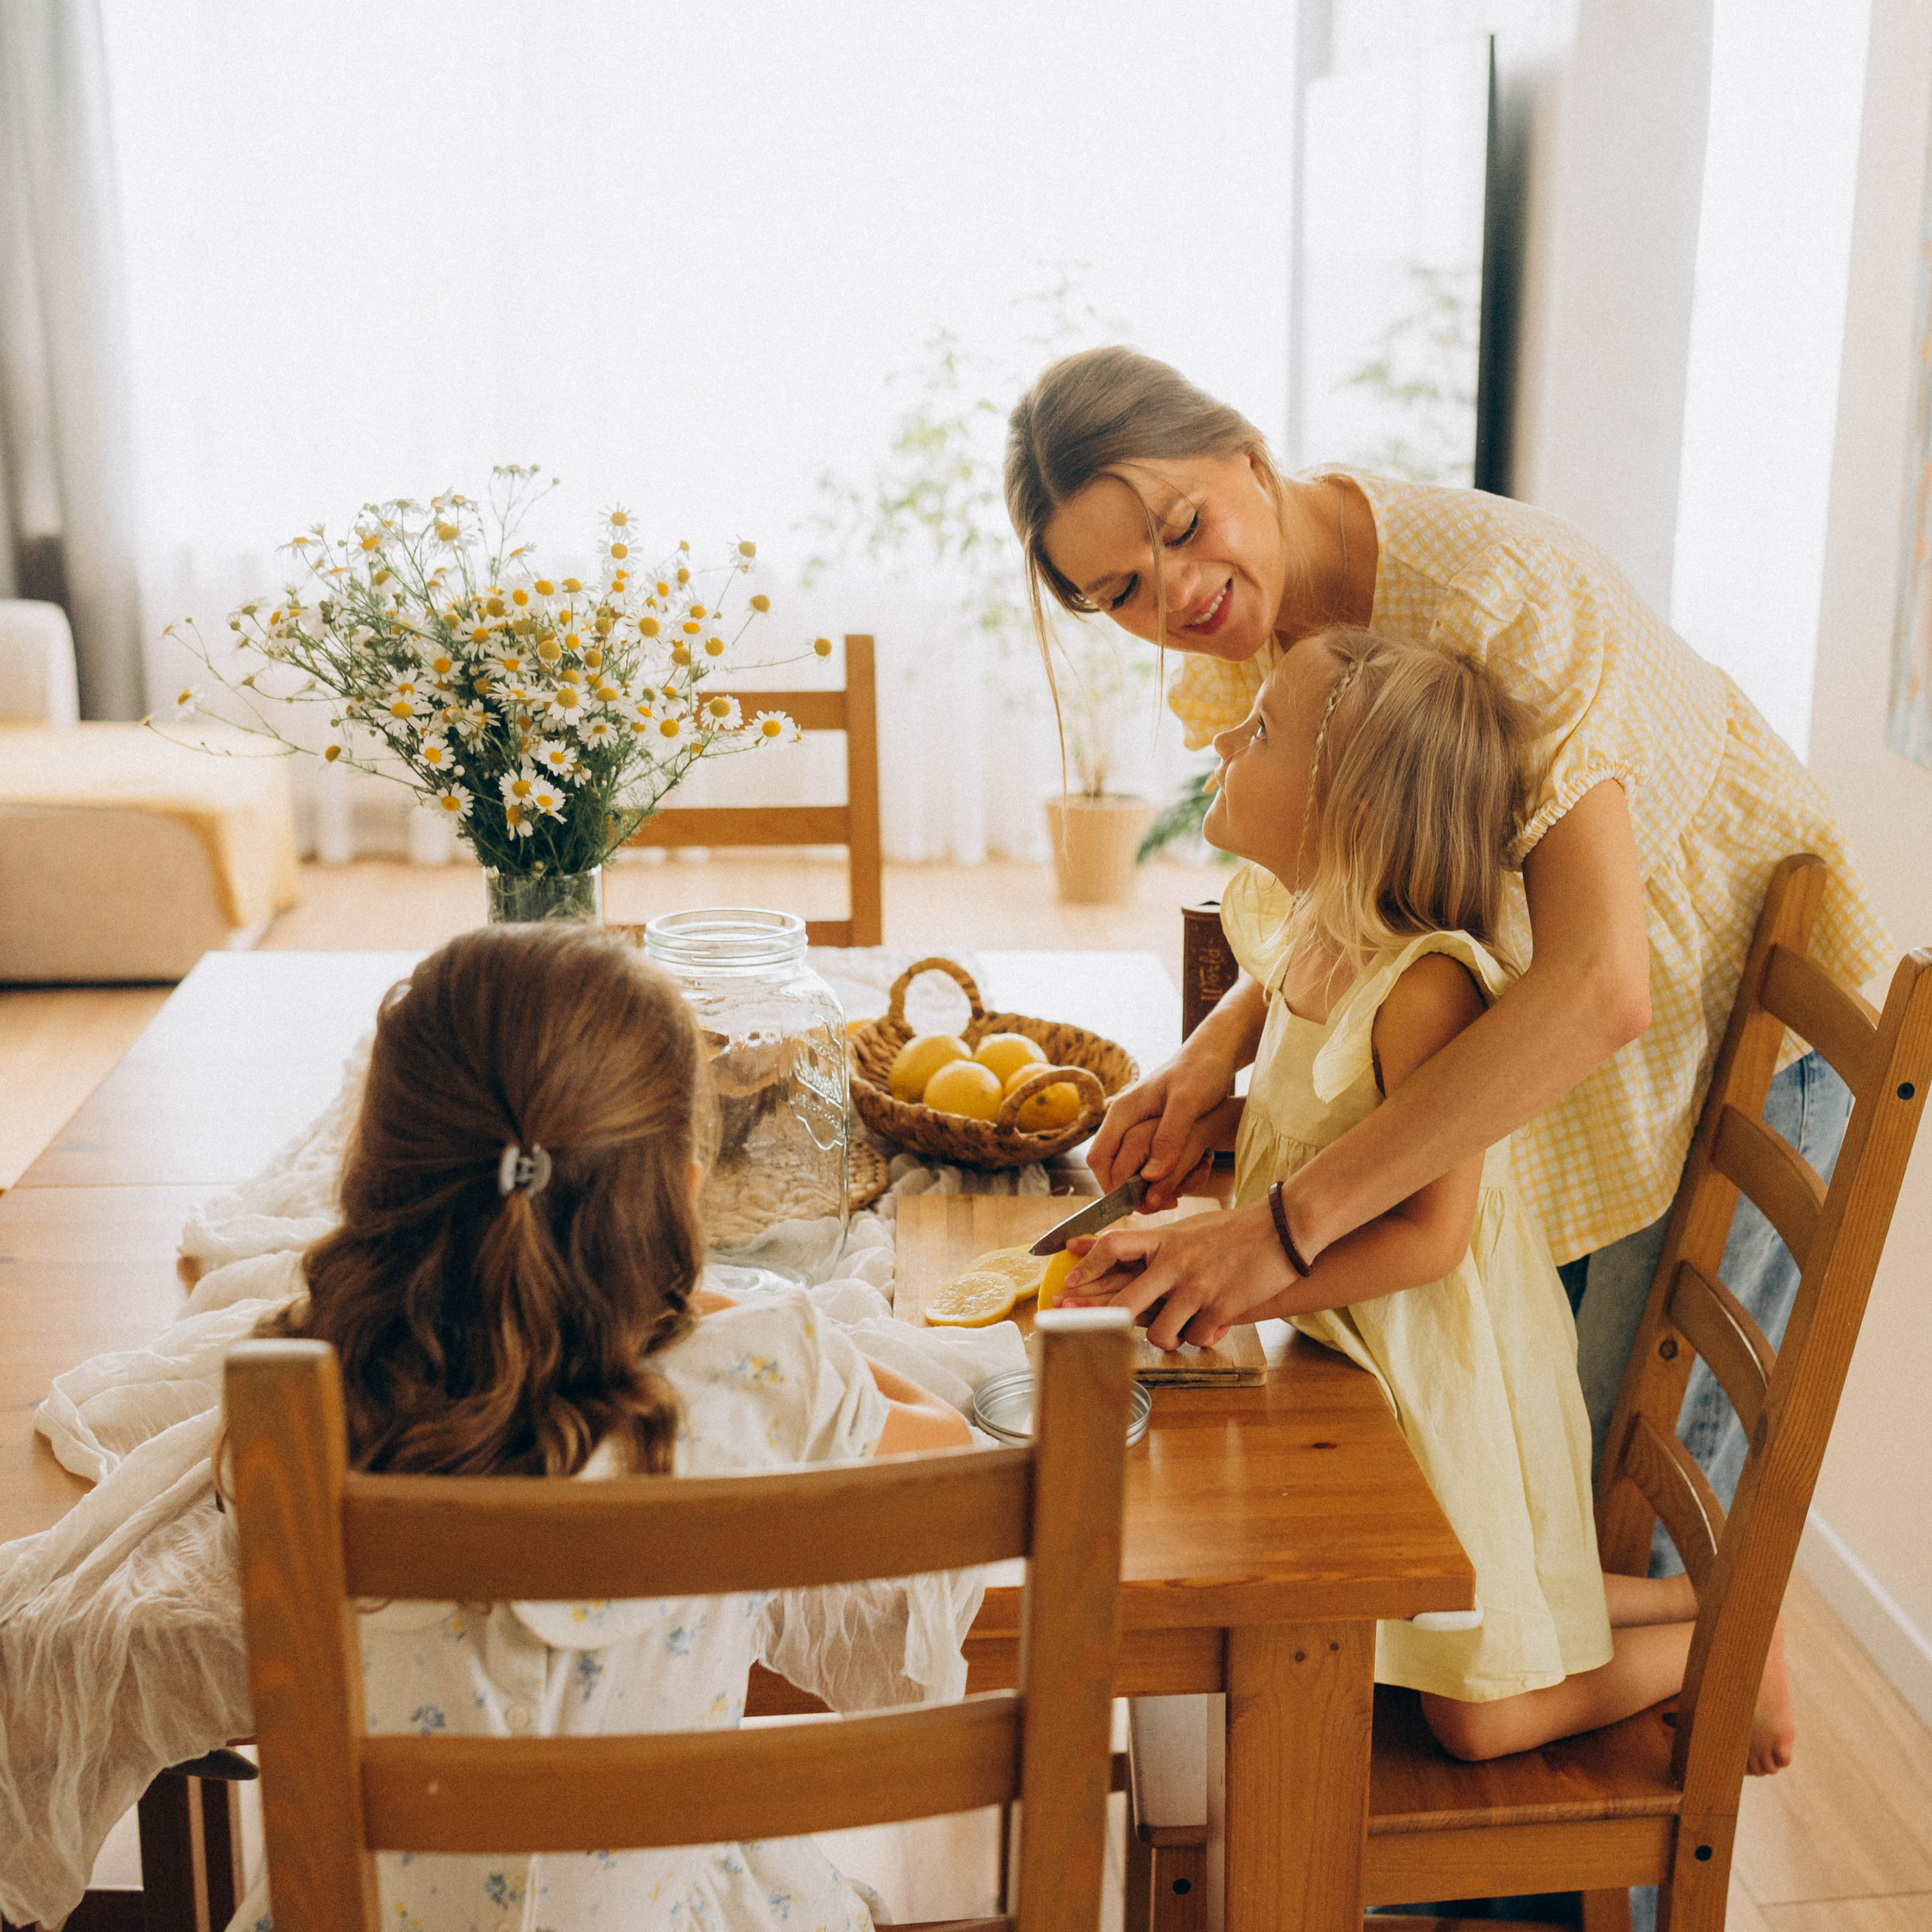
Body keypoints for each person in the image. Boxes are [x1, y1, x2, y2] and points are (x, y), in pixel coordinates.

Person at [1004, 346, 1889, 1566]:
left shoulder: (1501, 596)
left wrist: (1276, 1230)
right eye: (1120, 592)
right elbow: (1375, 884)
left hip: (1737, 1031)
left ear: (1249, 457)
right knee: (1538, 1496)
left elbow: (1598, 985)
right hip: (1574, 1028)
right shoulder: (1264, 620)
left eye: (1182, 527)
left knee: (1626, 1527)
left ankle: (1727, 1668)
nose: (1178, 595)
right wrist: (1217, 1052)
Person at [1058, 629, 1792, 1768]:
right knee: (1396, 1624)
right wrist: (1187, 1231)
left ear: (1344, 811)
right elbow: (1308, 1150)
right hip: (1361, 1364)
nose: (1219, 738)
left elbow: (1433, 1237)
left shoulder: (1426, 991)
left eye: (1258, 735)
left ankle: (1729, 1651)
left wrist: (1242, 1287)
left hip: (1441, 1380)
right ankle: (1724, 1605)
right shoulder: (1308, 949)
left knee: (1475, 1714)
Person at [226, 923, 971, 1932]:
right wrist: (755, 1325)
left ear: (386, 1173)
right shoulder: (762, 1373)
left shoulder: (304, 1392)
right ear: (684, 1189)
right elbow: (943, 1442)